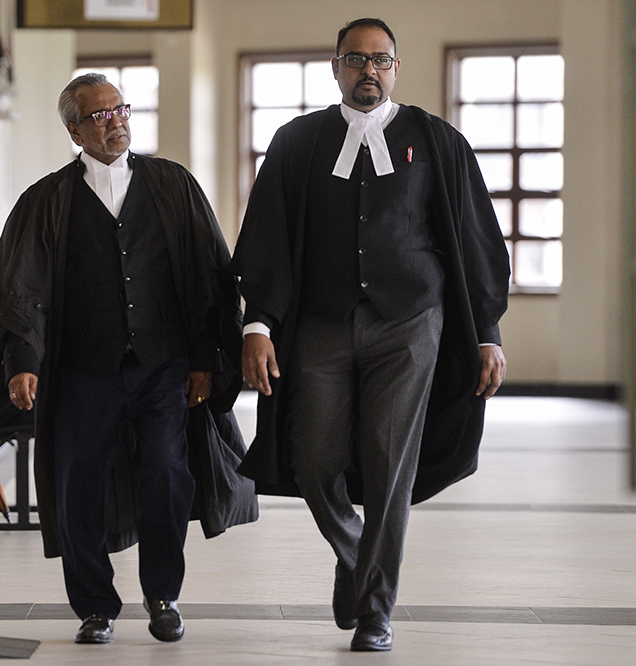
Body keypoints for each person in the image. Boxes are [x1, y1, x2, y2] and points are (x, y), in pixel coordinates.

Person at [230, 18, 510, 653]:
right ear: (336, 68)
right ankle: (356, 554)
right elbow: (266, 234)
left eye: (380, 60)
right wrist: (258, 322)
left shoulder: (437, 141)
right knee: (313, 457)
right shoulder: (297, 140)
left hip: (409, 324)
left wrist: (486, 331)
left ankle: (376, 609)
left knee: (390, 465)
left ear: (396, 68)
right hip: (320, 323)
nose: (369, 71)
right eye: (356, 60)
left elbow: (475, 240)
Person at [0, 73, 253, 646]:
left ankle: (163, 595)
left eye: (121, 109)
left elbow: (208, 276)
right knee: (78, 487)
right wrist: (23, 360)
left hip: (163, 366)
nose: (116, 121)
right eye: (100, 115)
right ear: (74, 130)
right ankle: (95, 606)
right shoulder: (46, 200)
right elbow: (22, 288)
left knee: (167, 475)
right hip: (81, 371)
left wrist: (205, 358)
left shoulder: (172, 184)